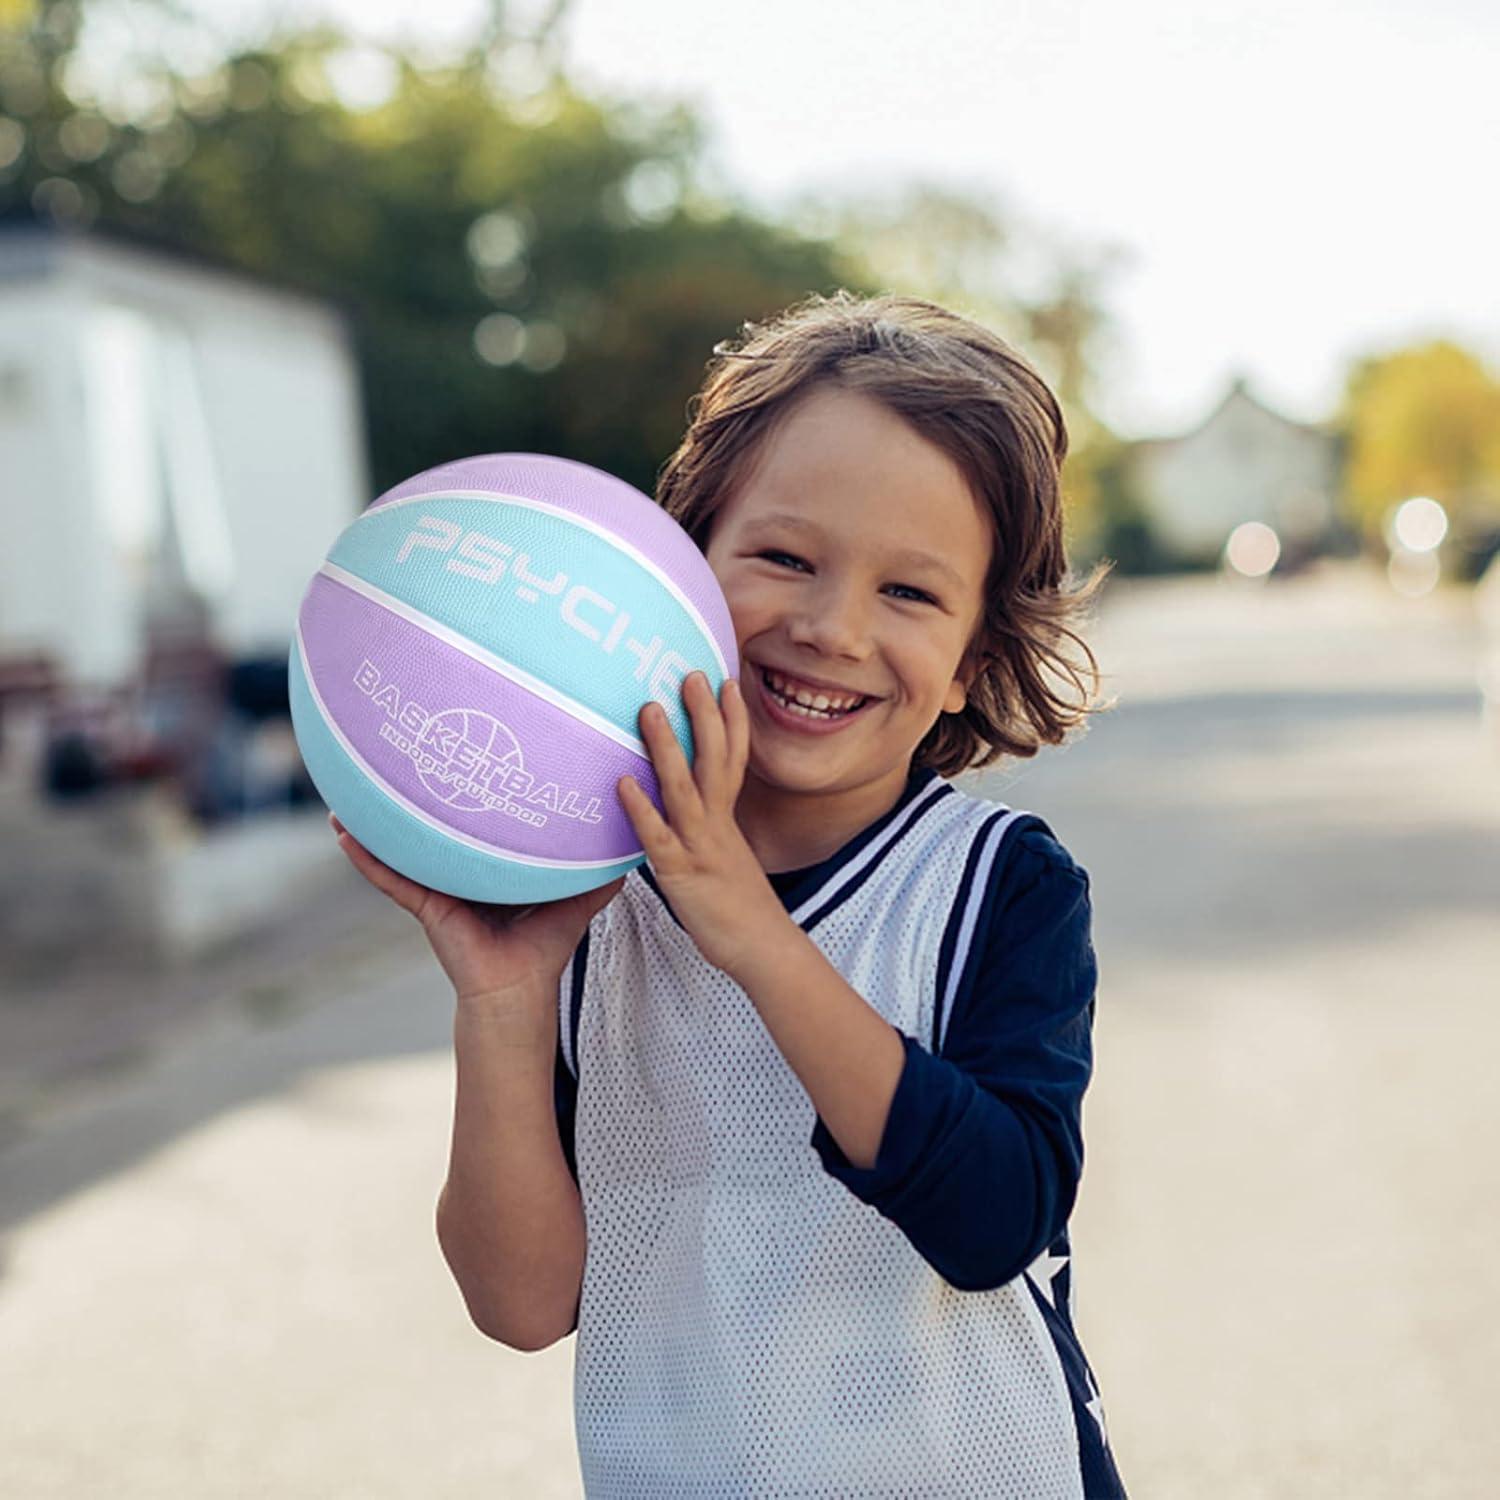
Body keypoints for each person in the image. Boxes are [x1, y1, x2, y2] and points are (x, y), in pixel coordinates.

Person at [333, 291, 1126, 1498]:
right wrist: (503, 1003)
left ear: (972, 661)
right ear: (682, 569)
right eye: (784, 558)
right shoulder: (585, 897)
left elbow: (993, 1223)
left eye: (909, 594)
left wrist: (751, 930)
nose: (832, 628)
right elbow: (521, 1305)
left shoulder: (997, 886)